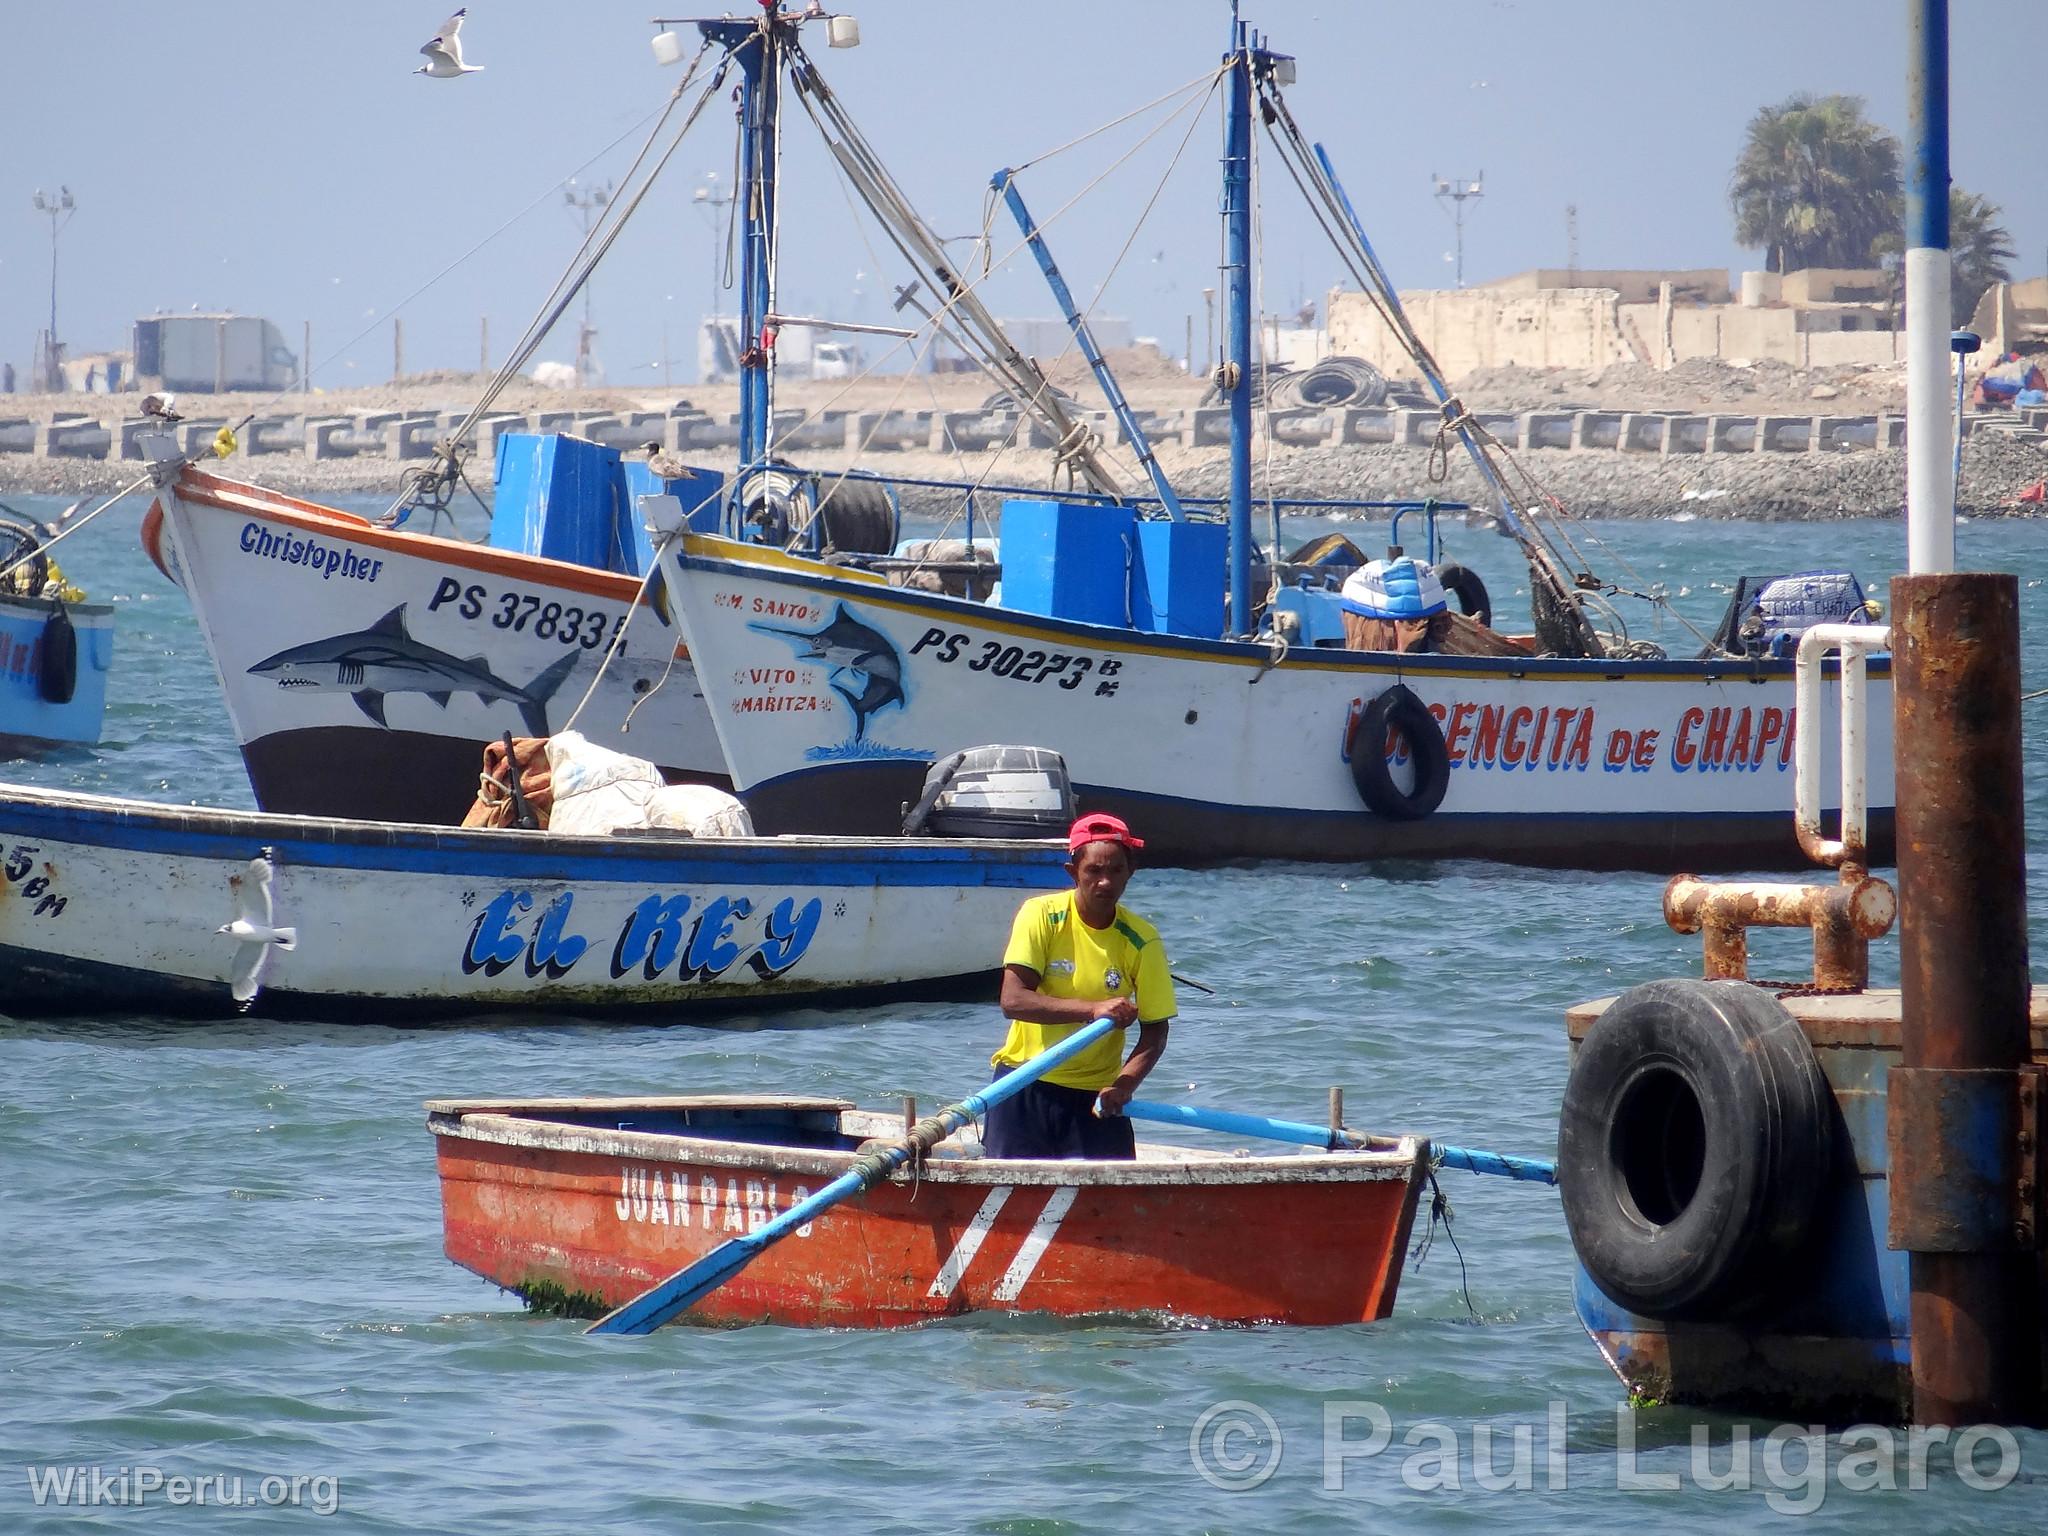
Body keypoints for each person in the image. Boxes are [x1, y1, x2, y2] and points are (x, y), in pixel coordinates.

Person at [981, 812, 1176, 1159]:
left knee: (1112, 1193)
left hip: (1096, 1097)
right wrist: (1093, 1009)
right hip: (1023, 1083)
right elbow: (1013, 1000)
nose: (1105, 882)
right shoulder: (1041, 915)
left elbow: (1155, 1032)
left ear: (1131, 871)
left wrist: (1124, 1085)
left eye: (1116, 870)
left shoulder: (1142, 939)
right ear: (1073, 873)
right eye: (1093, 871)